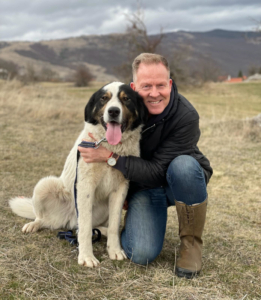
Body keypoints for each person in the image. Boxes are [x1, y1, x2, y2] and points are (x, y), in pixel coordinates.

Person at [78, 53, 213, 279]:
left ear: (170, 84)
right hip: (144, 187)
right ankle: (134, 223)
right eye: (146, 86)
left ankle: (191, 245)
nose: (154, 93)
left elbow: (158, 170)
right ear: (134, 87)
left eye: (160, 85)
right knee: (140, 253)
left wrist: (109, 156)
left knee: (184, 166)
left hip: (176, 183)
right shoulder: (126, 106)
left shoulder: (185, 116)